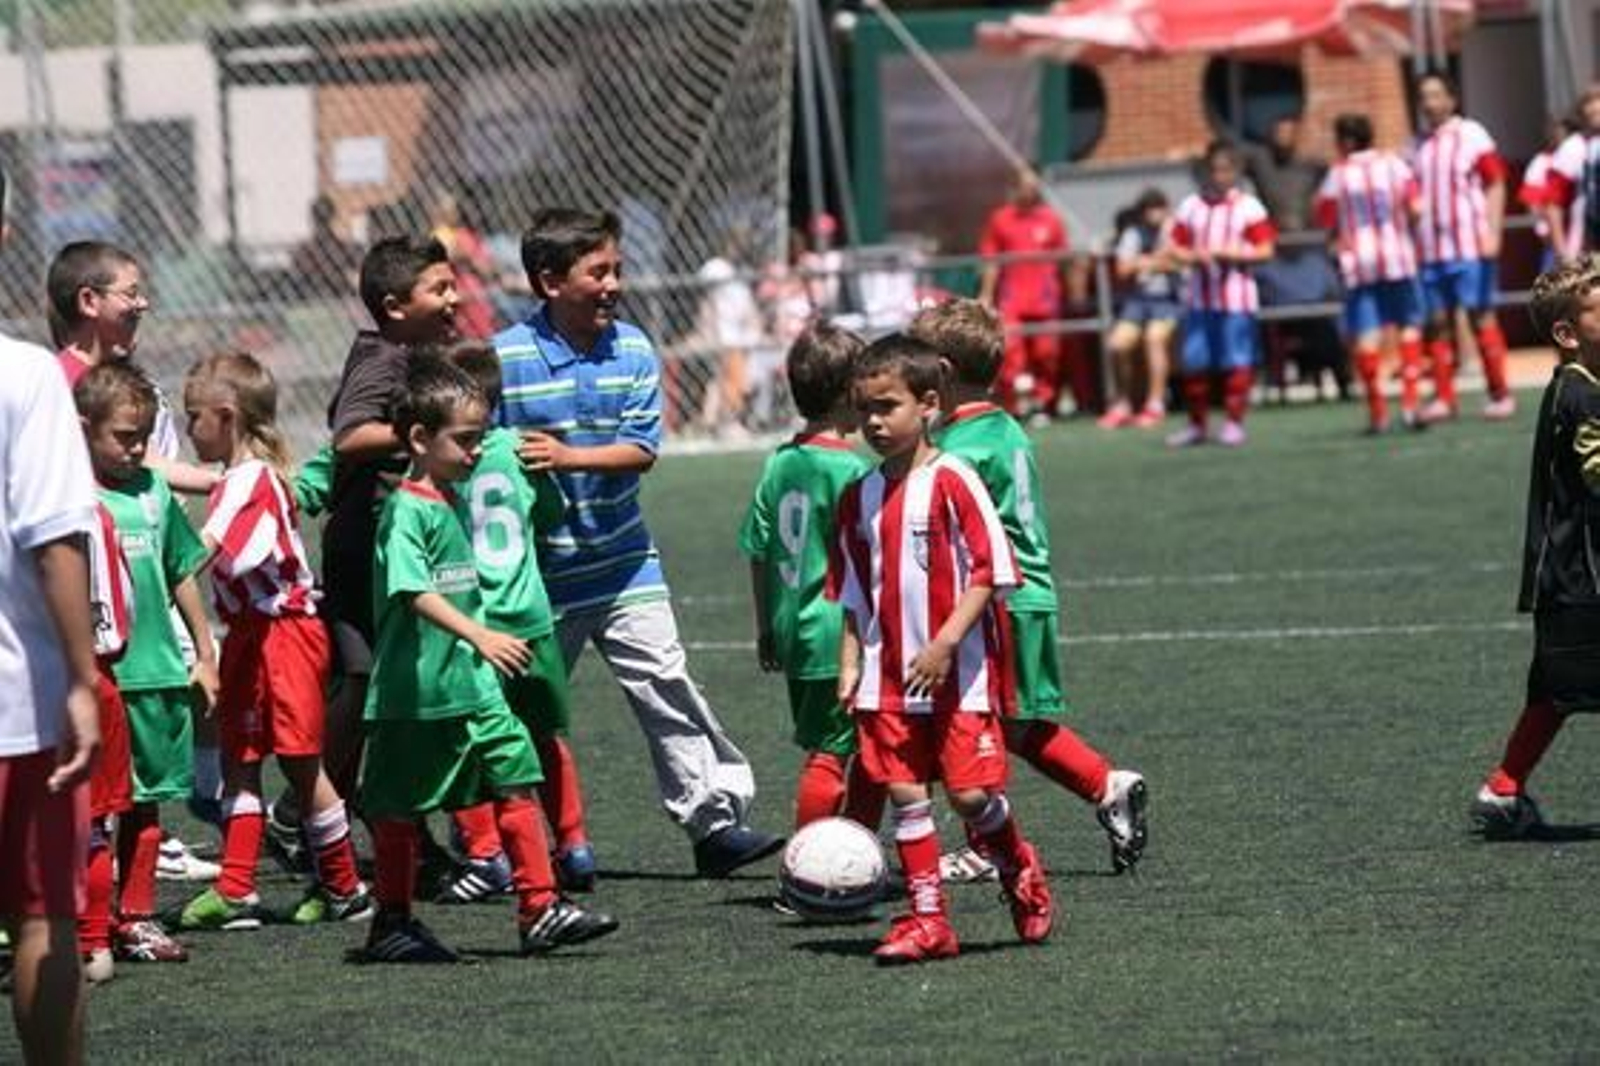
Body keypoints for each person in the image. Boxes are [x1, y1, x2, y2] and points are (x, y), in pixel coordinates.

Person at [495, 207, 782, 878]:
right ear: (548, 282)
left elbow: (641, 449)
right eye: (598, 272)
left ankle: (714, 827)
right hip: (536, 577)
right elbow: (479, 448)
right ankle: (502, 844)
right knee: (517, 710)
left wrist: (566, 457)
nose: (613, 284)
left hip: (624, 562)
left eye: (617, 269)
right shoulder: (503, 356)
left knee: (665, 683)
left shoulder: (632, 349)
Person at [359, 358, 617, 963]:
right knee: (394, 806)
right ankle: (391, 921)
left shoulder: (447, 496)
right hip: (417, 690)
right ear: (420, 439)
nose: (477, 451)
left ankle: (539, 907)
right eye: (466, 440)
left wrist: (475, 646)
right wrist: (479, 634)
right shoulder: (408, 508)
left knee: (515, 772)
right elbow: (411, 589)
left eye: (480, 438)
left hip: (470, 682)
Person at [827, 333, 1052, 965]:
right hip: (887, 676)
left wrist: (948, 642)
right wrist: (850, 663)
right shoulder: (857, 496)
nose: (873, 421)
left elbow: (991, 569)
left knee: (970, 797)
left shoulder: (955, 478)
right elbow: (852, 592)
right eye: (863, 409)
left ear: (927, 403)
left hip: (959, 674)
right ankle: (928, 919)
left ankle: (1014, 858)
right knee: (904, 791)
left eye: (887, 406)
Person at [910, 299, 1148, 878]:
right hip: (1029, 594)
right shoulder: (1006, 428)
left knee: (972, 720)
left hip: (999, 601)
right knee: (1013, 724)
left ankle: (987, 845)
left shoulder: (959, 451)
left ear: (941, 372)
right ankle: (1106, 785)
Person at [269, 236, 461, 880]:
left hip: (400, 543)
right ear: (394, 305)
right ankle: (303, 807)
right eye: (439, 288)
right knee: (363, 684)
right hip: (365, 548)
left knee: (398, 688)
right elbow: (350, 434)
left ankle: (391, 822)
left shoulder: (416, 353)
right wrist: (423, 434)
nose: (455, 297)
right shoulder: (383, 360)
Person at [173, 353, 371, 932]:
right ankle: (236, 890)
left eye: (194, 417)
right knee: (241, 758)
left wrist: (142, 572)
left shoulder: (252, 480)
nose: (189, 430)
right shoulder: (237, 478)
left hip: (285, 634)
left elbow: (199, 552)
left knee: (302, 763)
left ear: (227, 416)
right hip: (249, 636)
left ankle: (345, 887)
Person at [47, 241, 223, 883]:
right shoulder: (53, 384)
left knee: (180, 691)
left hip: (142, 580)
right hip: (81, 598)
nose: (144, 301)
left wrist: (213, 482)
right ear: (90, 302)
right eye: (130, 290)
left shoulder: (133, 383)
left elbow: (148, 469)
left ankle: (156, 836)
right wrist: (217, 483)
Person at [434, 340, 597, 898]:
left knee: (472, 737)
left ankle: (485, 854)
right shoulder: (519, 452)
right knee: (545, 734)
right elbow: (553, 513)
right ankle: (574, 845)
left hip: (474, 624)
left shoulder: (450, 459)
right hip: (531, 616)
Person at [74, 363, 217, 970]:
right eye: (123, 437)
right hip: (101, 676)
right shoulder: (70, 496)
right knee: (93, 808)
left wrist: (205, 652)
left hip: (158, 671)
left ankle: (135, 917)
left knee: (148, 805)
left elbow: (181, 566)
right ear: (83, 430)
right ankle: (88, 926)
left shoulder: (155, 493)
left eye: (143, 436)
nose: (136, 450)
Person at [1469, 255, 1600, 836]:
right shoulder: (1580, 397)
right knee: (1557, 687)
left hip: (1570, 573)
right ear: (1568, 334)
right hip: (1583, 574)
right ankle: (1502, 787)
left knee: (1554, 689)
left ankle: (1502, 789)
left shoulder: (1582, 385)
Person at [0, 312, 101, 1063]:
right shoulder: (26, 373)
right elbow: (54, 540)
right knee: (42, 922)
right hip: (19, 701)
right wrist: (81, 675)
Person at [739, 323, 884, 832]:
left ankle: (856, 852)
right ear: (851, 393)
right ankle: (806, 866)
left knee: (869, 744)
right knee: (833, 753)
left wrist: (765, 628)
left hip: (792, 630)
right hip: (838, 635)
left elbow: (757, 551)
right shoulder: (852, 472)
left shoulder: (778, 465)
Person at [1409, 71, 1513, 422]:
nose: (1429, 102)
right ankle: (1444, 398)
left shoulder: (1471, 134)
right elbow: (1412, 193)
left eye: (1436, 95)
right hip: (1431, 249)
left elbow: (1496, 182)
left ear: (1452, 99)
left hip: (1469, 244)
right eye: (1423, 96)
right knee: (1436, 322)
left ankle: (1500, 393)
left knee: (1478, 314)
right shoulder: (1417, 143)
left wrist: (1493, 232)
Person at [1313, 113, 1427, 434]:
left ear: (1345, 141)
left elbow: (1323, 215)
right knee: (1409, 328)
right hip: (1398, 257)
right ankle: (1410, 403)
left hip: (1359, 263)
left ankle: (1378, 412)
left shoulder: (1339, 174)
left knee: (1367, 335)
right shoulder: (1394, 165)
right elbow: (1416, 208)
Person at [1167, 140, 1278, 448]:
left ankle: (1233, 422)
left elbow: (1266, 249)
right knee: (1194, 362)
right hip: (1199, 299)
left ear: (1236, 172)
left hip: (1236, 298)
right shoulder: (1191, 206)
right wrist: (1192, 256)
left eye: (1225, 170)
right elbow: (1174, 247)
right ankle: (1197, 425)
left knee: (1236, 361)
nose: (1219, 176)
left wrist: (1234, 253)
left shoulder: (1248, 206)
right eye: (1214, 169)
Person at [1241, 114, 1348, 403]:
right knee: (1274, 317)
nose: (1282, 139)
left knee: (1329, 309)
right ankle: (1275, 381)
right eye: (1277, 133)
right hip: (1276, 259)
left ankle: (1342, 378)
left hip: (1309, 253)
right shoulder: (1259, 164)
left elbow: (1340, 182)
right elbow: (1218, 163)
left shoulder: (1311, 168)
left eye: (1288, 133)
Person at [76, 493, 135, 987]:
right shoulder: (95, 512)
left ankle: (86, 939)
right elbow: (119, 618)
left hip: (41, 682)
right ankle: (93, 942)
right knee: (93, 822)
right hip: (92, 676)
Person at [978, 170, 1070, 421]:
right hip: (1012, 298)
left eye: (1034, 185)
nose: (1031, 190)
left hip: (1045, 300)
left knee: (1047, 352)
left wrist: (1072, 292)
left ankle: (1043, 403)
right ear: (1015, 188)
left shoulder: (1052, 219)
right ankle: (1016, 405)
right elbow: (991, 260)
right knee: (1011, 353)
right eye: (1025, 185)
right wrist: (986, 294)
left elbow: (1065, 260)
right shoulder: (1000, 219)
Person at [1099, 189, 1180, 430]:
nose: (1154, 213)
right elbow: (1122, 270)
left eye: (1158, 207)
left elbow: (1179, 260)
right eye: (1149, 208)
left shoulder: (1175, 231)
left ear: (1166, 208)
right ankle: (1122, 404)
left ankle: (1155, 404)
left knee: (1154, 339)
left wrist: (1143, 262)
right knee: (1116, 344)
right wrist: (1157, 261)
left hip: (1169, 300)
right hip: (1138, 302)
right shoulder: (1133, 234)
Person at [1541, 88, 1600, 265]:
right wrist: (1562, 251)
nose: (1595, 108)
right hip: (1585, 248)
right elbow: (1553, 202)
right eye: (1589, 103)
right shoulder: (1573, 147)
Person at [1520, 116, 1580, 269]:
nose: (1556, 136)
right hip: (1554, 241)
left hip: (1583, 237)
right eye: (1553, 133)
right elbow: (1532, 201)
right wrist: (1544, 230)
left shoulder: (1584, 153)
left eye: (1560, 133)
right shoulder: (1541, 161)